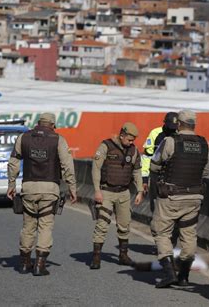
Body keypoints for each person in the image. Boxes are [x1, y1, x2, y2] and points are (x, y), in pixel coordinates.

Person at [7, 113, 77, 276]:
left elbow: (13, 162)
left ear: (38, 123)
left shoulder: (23, 138)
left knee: (28, 225)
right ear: (52, 125)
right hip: (49, 188)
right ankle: (40, 265)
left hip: (28, 187)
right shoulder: (58, 139)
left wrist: (11, 184)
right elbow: (68, 165)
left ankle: (24, 263)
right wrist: (72, 188)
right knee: (45, 225)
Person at [150, 109, 209, 288]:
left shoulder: (170, 142)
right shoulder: (204, 144)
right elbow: (205, 171)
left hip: (171, 196)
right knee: (189, 234)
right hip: (194, 197)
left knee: (161, 231)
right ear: (194, 125)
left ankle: (169, 273)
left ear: (179, 124)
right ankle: (184, 276)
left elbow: (154, 165)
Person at [90, 122, 144, 270]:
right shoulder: (106, 146)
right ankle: (96, 257)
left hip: (124, 193)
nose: (131, 142)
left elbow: (137, 171)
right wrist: (97, 191)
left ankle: (123, 255)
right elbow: (96, 168)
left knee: (125, 225)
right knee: (102, 224)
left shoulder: (133, 151)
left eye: (133, 140)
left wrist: (139, 191)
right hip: (106, 192)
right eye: (129, 139)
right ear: (122, 135)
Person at [141, 112, 178, 213]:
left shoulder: (180, 135)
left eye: (174, 128)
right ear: (164, 123)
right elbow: (146, 157)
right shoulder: (155, 133)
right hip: (156, 176)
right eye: (170, 127)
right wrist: (144, 179)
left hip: (174, 178)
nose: (172, 130)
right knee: (156, 208)